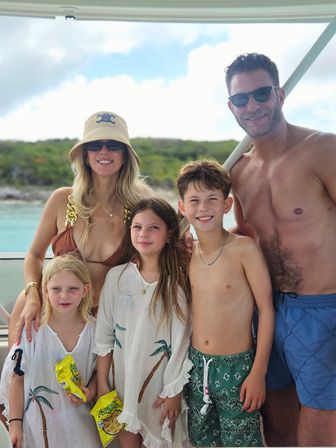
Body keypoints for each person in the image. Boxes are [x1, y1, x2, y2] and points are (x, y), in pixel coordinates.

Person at [225, 52, 336, 446]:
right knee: (276, 420)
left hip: (322, 307)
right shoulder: (239, 172)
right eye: (242, 99)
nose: (252, 105)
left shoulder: (324, 149)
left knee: (321, 423)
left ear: (280, 94)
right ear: (231, 106)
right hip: (268, 309)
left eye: (261, 93)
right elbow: (245, 233)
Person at [9, 110, 152, 347]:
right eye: (95, 145)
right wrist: (33, 295)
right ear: (85, 155)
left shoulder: (140, 202)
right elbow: (34, 255)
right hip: (48, 312)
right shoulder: (61, 199)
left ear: (125, 155)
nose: (104, 151)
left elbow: (165, 245)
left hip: (107, 319)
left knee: (98, 385)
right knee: (25, 380)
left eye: (113, 145)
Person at [177, 159, 274, 447]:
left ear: (227, 204)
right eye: (194, 201)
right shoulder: (186, 254)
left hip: (238, 368)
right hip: (195, 366)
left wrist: (258, 372)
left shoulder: (242, 249)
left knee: (241, 442)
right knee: (201, 441)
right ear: (182, 207)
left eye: (212, 200)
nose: (203, 208)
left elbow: (267, 310)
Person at [94, 197, 192, 448]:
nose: (143, 234)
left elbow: (182, 341)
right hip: (122, 384)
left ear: (169, 235)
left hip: (159, 389)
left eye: (153, 228)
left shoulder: (179, 281)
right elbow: (105, 336)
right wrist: (104, 384)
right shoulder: (117, 277)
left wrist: (173, 392)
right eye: (137, 227)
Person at [0, 253, 101, 447]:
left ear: (85, 290)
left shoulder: (94, 331)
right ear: (45, 290)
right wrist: (15, 425)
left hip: (79, 424)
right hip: (37, 423)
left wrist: (89, 392)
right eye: (56, 289)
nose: (64, 295)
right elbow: (17, 378)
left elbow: (99, 371)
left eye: (72, 289)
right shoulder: (34, 331)